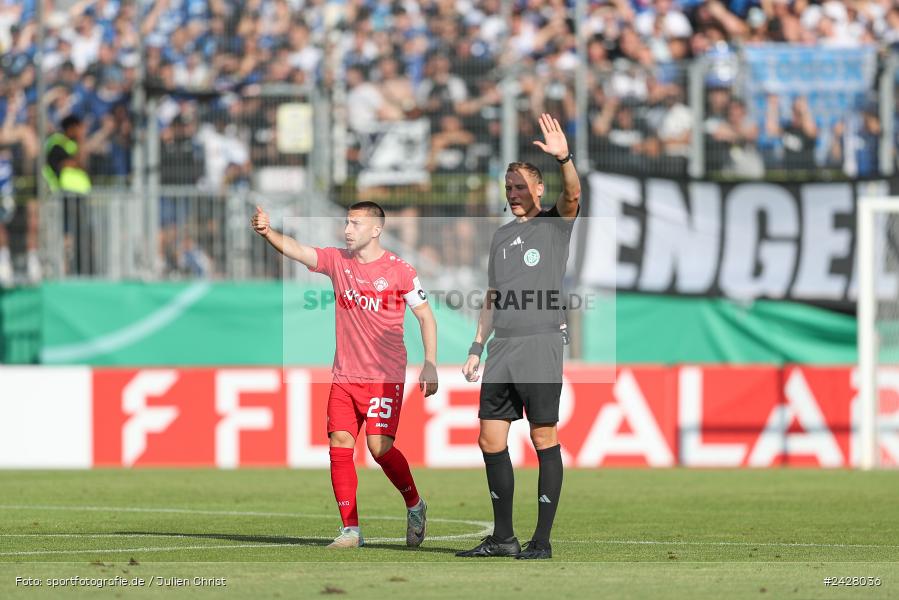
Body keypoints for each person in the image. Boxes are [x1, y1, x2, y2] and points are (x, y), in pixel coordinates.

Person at [251, 201, 438, 549]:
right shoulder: (338, 261)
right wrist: (269, 232)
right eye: (346, 223)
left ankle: (414, 504)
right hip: (344, 376)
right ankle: (351, 530)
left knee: (380, 448)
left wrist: (429, 362)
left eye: (354, 224)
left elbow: (426, 316)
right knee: (340, 445)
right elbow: (297, 251)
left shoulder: (400, 271)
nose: (347, 230)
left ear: (376, 230)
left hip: (385, 377)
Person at [457, 113, 580, 560]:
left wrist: (564, 157)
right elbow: (491, 296)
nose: (513, 194)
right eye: (508, 188)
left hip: (540, 343)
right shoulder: (501, 237)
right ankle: (504, 537)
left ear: (539, 190)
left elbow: (574, 193)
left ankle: (541, 541)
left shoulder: (553, 225)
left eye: (521, 186)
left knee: (542, 437)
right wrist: (476, 346)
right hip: (501, 348)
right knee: (490, 439)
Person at [43, 114, 93, 274]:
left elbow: (82, 164)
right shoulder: (57, 144)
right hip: (64, 196)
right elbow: (74, 163)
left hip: (79, 196)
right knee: (66, 235)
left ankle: (79, 270)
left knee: (80, 235)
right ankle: (63, 270)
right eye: (79, 128)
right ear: (71, 128)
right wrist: (82, 140)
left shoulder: (72, 145)